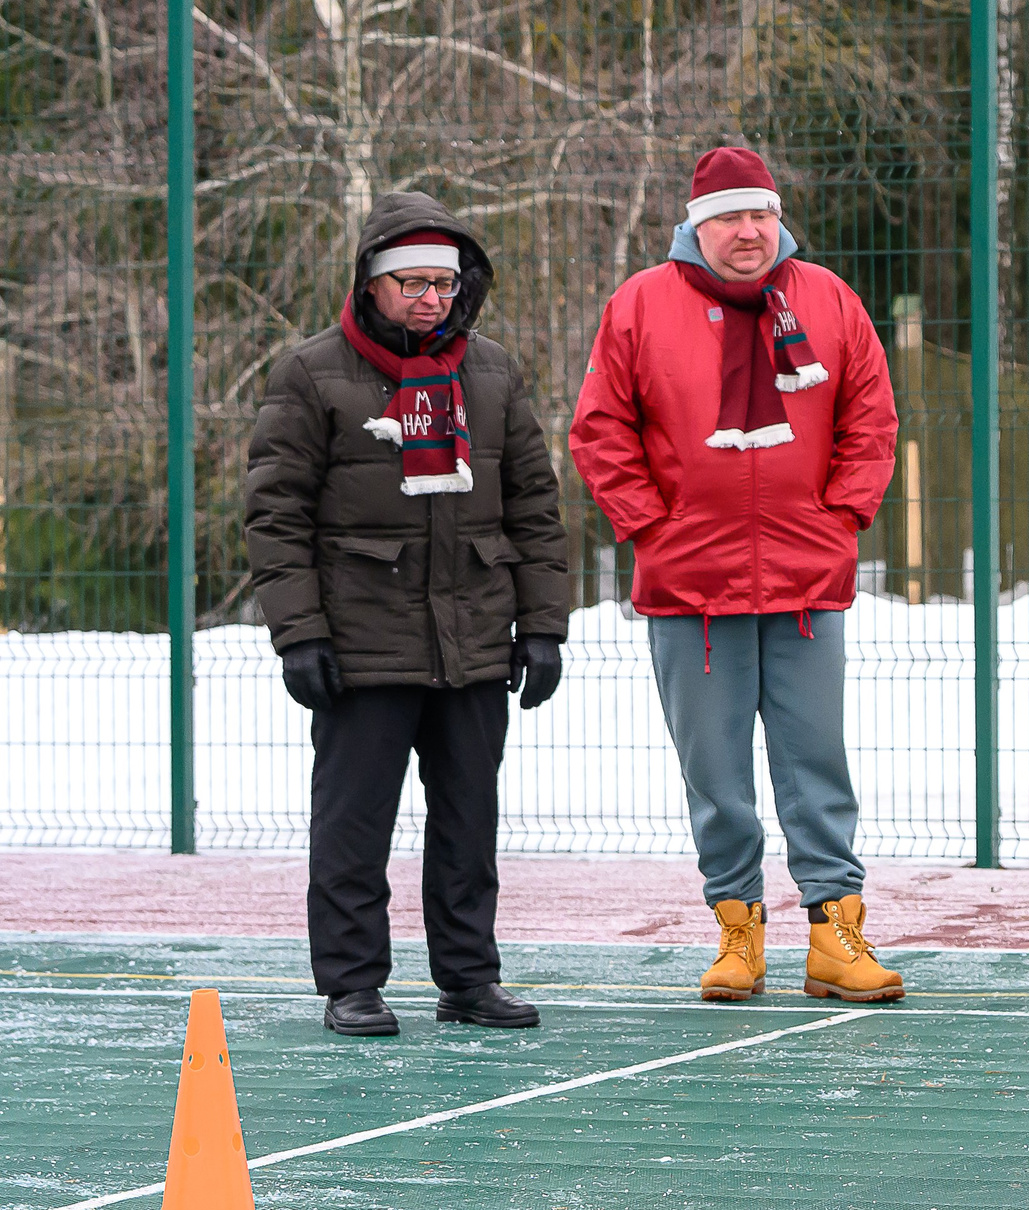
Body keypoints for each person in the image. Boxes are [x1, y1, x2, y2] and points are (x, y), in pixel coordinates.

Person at [570, 147, 904, 1006]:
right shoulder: (640, 305)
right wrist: (653, 526)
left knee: (816, 764)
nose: (748, 232)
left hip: (806, 585)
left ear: (778, 217)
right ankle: (737, 937)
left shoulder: (828, 299)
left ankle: (835, 938)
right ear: (696, 225)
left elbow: (871, 416)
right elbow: (600, 428)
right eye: (728, 217)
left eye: (760, 214)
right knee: (714, 773)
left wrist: (840, 517)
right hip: (691, 591)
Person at [246, 192, 570, 1038]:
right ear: (372, 285)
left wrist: (542, 625)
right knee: (353, 824)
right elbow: (274, 516)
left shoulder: (492, 372)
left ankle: (469, 979)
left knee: (470, 821)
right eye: (414, 284)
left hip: (473, 641)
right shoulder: (312, 374)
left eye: (446, 284)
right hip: (361, 644)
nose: (432, 300)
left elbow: (534, 507)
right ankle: (351, 983)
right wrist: (300, 633)